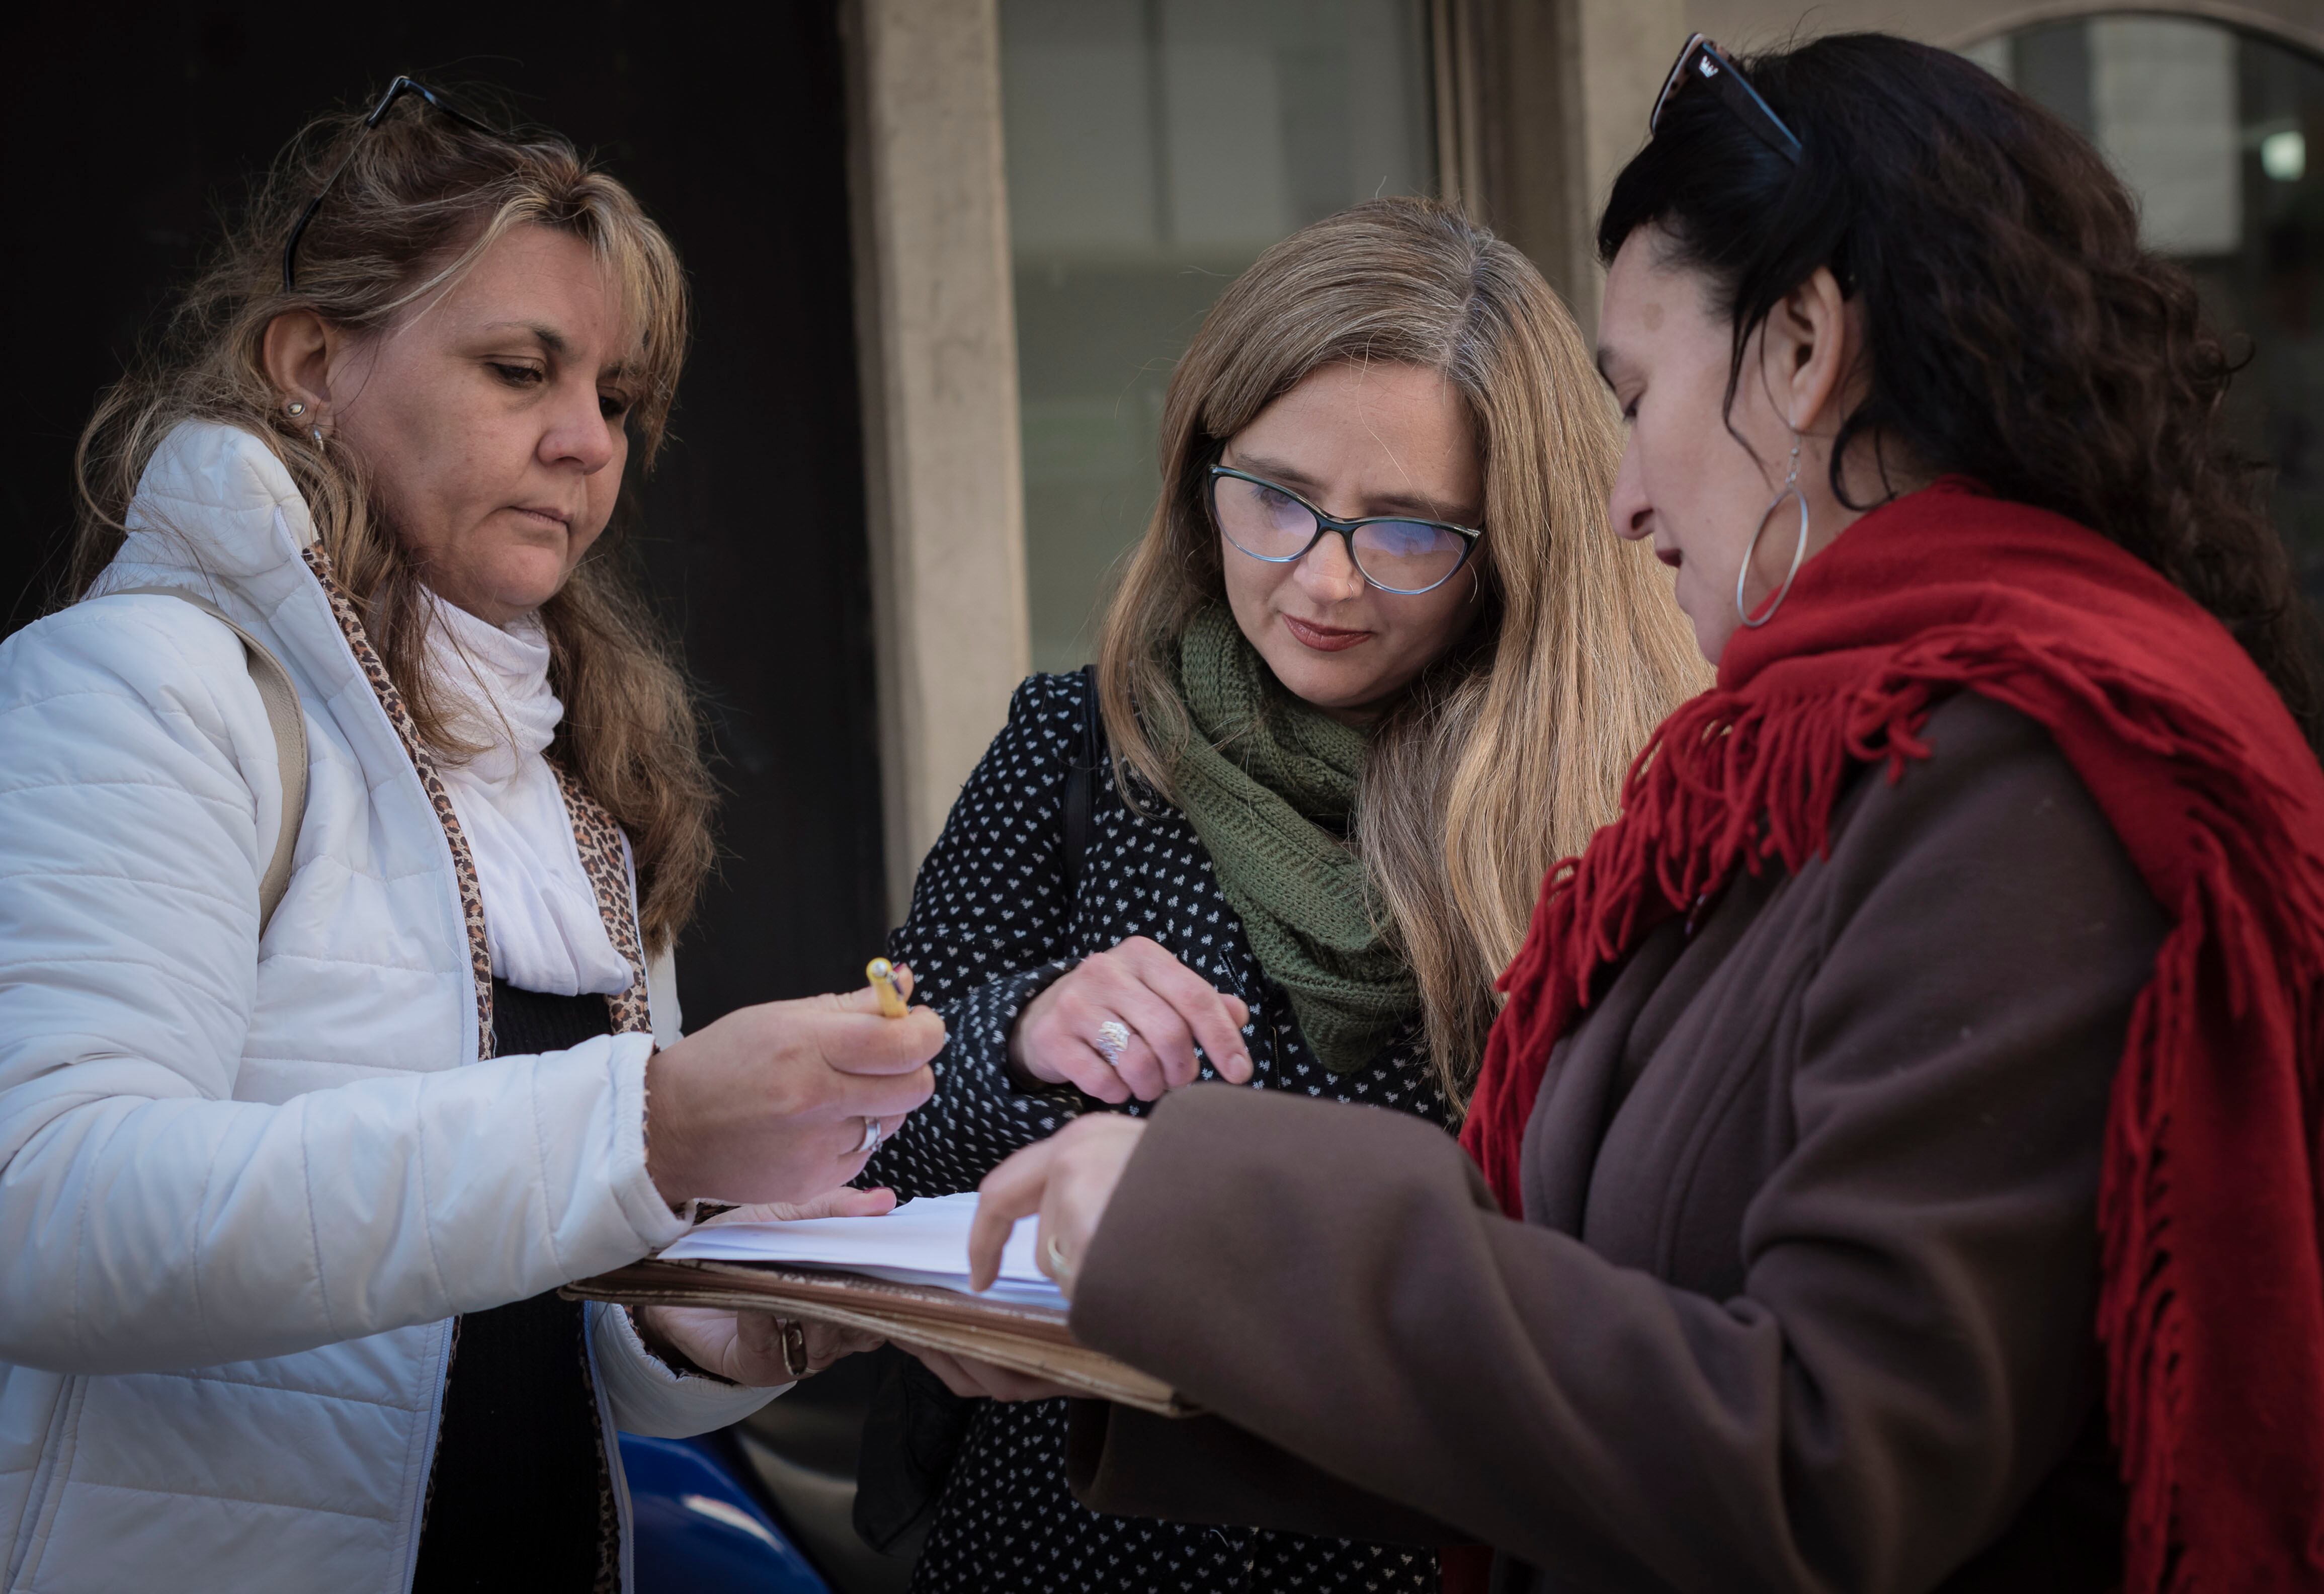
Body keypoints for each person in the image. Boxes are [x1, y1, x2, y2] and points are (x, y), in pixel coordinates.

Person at [943, 33, 2324, 1594]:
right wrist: (1160, 1316)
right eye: (1275, 498)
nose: (1623, 502)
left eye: (1637, 392)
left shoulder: (2012, 767)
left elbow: (1825, 1467)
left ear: (1800, 347)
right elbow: (1606, 1360)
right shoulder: (1838, 748)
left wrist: (1218, 1234)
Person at [0, 81, 941, 1593]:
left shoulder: (573, 771)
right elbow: (46, 1217)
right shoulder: (140, 685)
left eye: (617, 399)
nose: (587, 445)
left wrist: (710, 1321)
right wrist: (647, 1125)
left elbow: (523, 1353)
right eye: (520, 370)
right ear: (312, 364)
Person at [859, 196, 1704, 1592]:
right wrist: (1019, 1031)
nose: (1323, 580)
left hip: (1417, 1551)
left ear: (1517, 539)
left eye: (1407, 530)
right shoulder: (1081, 749)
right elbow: (862, 1144)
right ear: (1201, 463)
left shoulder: (1615, 805)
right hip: (1068, 1546)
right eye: (1275, 498)